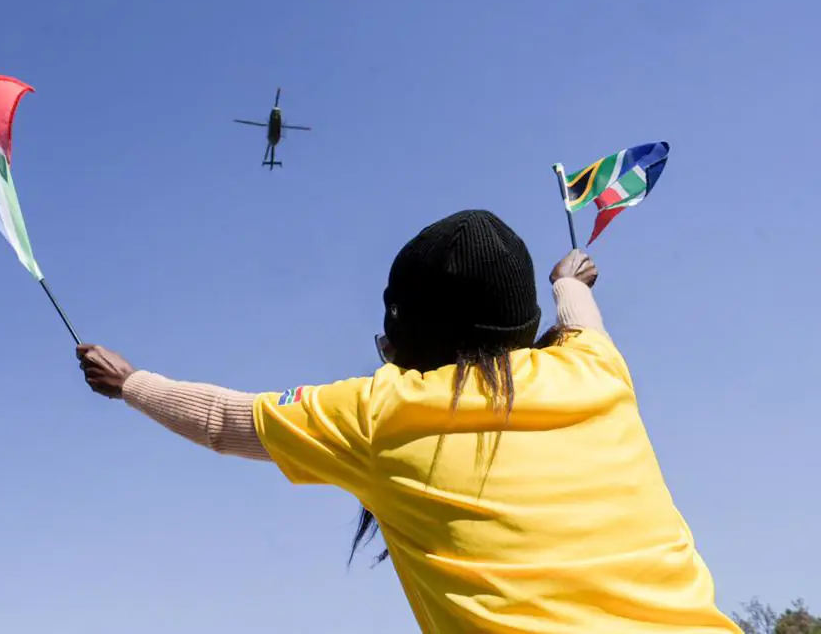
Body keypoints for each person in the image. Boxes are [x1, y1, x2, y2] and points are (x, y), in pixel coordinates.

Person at [76, 209, 738, 633]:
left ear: (404, 336)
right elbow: (578, 310)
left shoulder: (380, 413)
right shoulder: (596, 368)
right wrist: (569, 276)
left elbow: (223, 420)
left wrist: (131, 381)